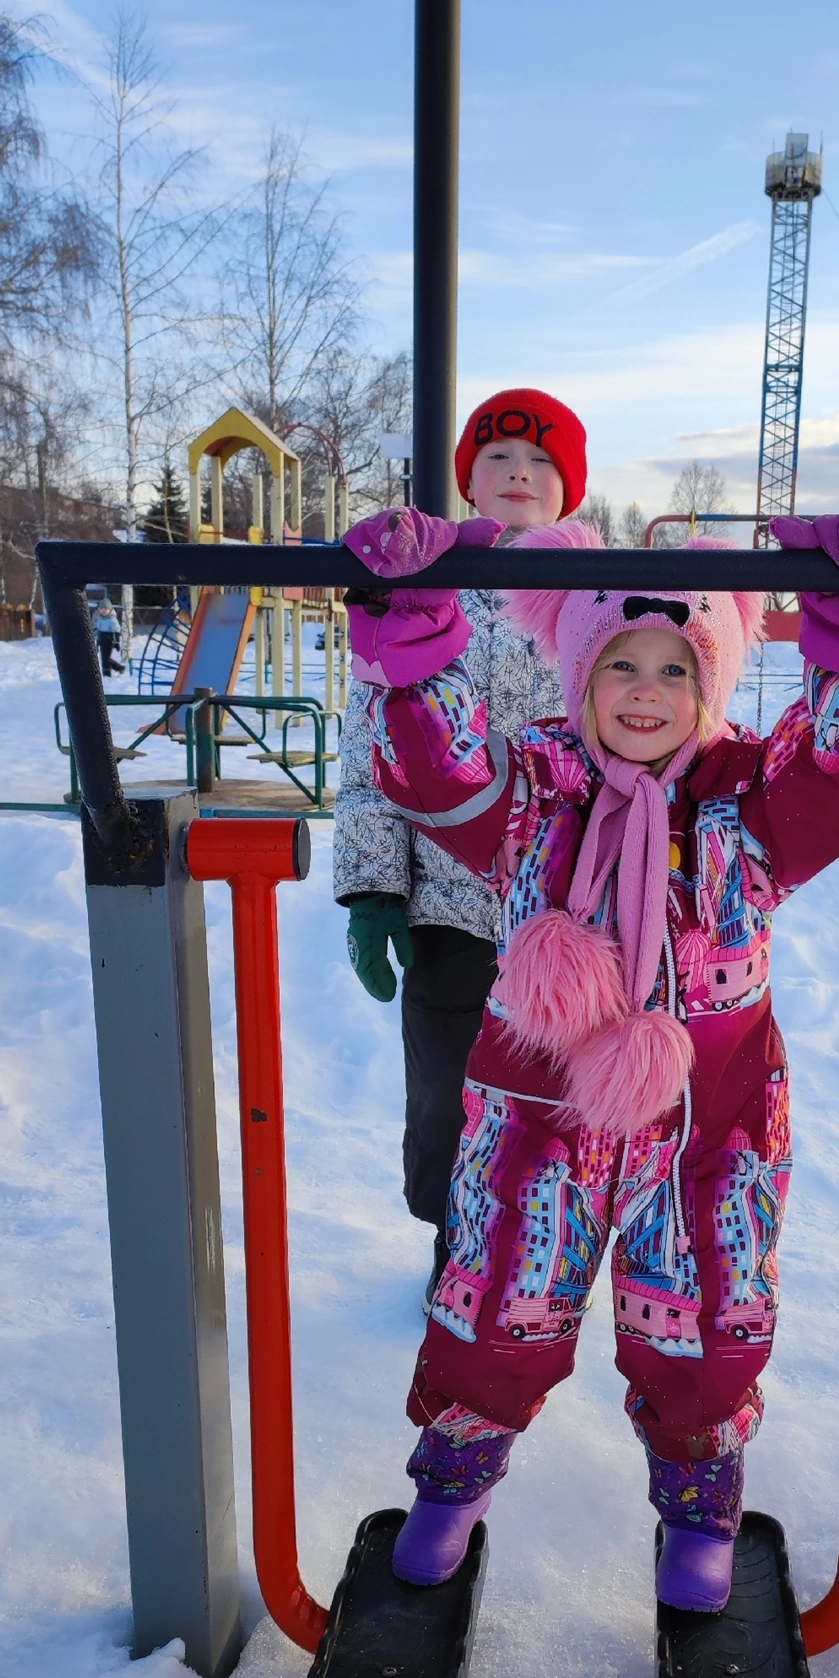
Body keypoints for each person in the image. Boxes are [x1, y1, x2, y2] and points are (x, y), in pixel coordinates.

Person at [341, 499, 839, 1611]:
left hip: (711, 1117)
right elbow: (430, 772)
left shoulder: (751, 800)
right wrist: (411, 632)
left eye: (673, 668)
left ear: (709, 686)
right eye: (620, 665)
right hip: (537, 1113)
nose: (646, 692)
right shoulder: (528, 792)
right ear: (579, 675)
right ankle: (452, 1489)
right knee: (495, 1302)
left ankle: (698, 1512)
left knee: (704, 1315)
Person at [334, 391, 570, 1306]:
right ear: (467, 477)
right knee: (450, 1101)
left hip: (567, 909)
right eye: (501, 454)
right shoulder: (420, 584)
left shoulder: (598, 588)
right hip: (450, 907)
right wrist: (372, 888)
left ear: (567, 489)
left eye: (542, 461)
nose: (520, 472)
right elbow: (372, 740)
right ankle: (454, 1257)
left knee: (552, 1107)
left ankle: (541, 1268)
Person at [91, 596, 123, 677]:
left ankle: (116, 669)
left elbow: (117, 630)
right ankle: (108, 672)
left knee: (106, 658)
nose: (104, 611)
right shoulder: (100, 618)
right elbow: (98, 628)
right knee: (104, 658)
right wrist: (97, 637)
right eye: (102, 609)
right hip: (102, 639)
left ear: (109, 609)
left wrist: (116, 641)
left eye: (106, 609)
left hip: (109, 640)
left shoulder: (112, 619)